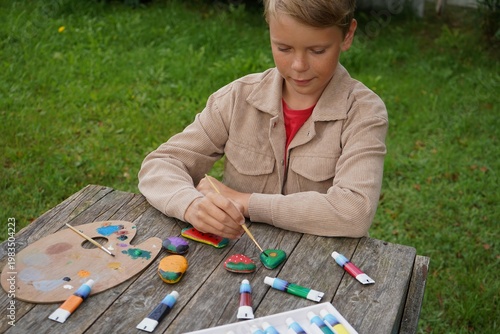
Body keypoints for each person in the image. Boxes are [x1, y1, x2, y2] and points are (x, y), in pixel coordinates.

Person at [138, 0, 388, 239]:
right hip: (233, 261)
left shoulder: (364, 113)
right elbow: (162, 163)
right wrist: (191, 204)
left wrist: (247, 203)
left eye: (317, 50)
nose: (299, 65)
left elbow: (354, 212)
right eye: (284, 48)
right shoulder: (237, 98)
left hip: (323, 266)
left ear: (347, 35)